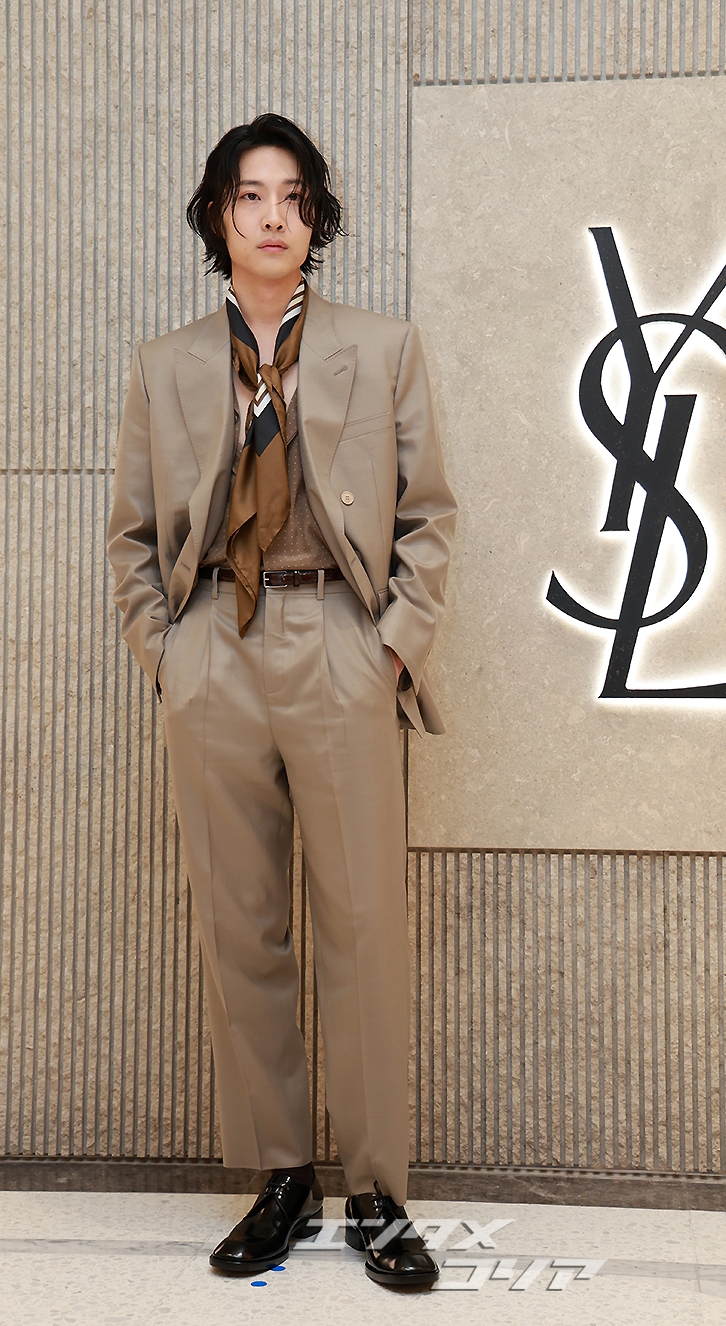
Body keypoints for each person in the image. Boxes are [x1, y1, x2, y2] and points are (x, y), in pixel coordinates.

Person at [107, 113, 456, 1288]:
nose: (273, 216)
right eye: (250, 196)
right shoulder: (166, 365)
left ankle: (377, 1192)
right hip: (216, 642)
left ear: (316, 219)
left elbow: (429, 516)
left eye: (294, 197)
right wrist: (168, 654)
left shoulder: (383, 348)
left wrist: (390, 651)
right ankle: (280, 1177)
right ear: (218, 216)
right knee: (240, 923)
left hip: (337, 637)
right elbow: (133, 537)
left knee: (362, 924)